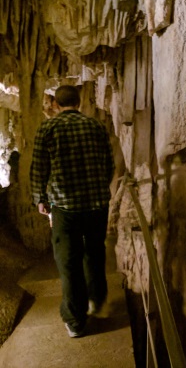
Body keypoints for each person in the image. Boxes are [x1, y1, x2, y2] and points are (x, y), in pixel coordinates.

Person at [30, 85, 115, 338]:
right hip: (97, 205)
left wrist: (40, 198)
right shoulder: (96, 127)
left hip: (65, 208)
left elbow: (38, 168)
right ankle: (96, 299)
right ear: (79, 102)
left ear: (56, 104)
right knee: (95, 252)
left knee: (69, 261)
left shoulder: (49, 128)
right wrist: (98, 189)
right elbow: (109, 165)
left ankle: (75, 320)